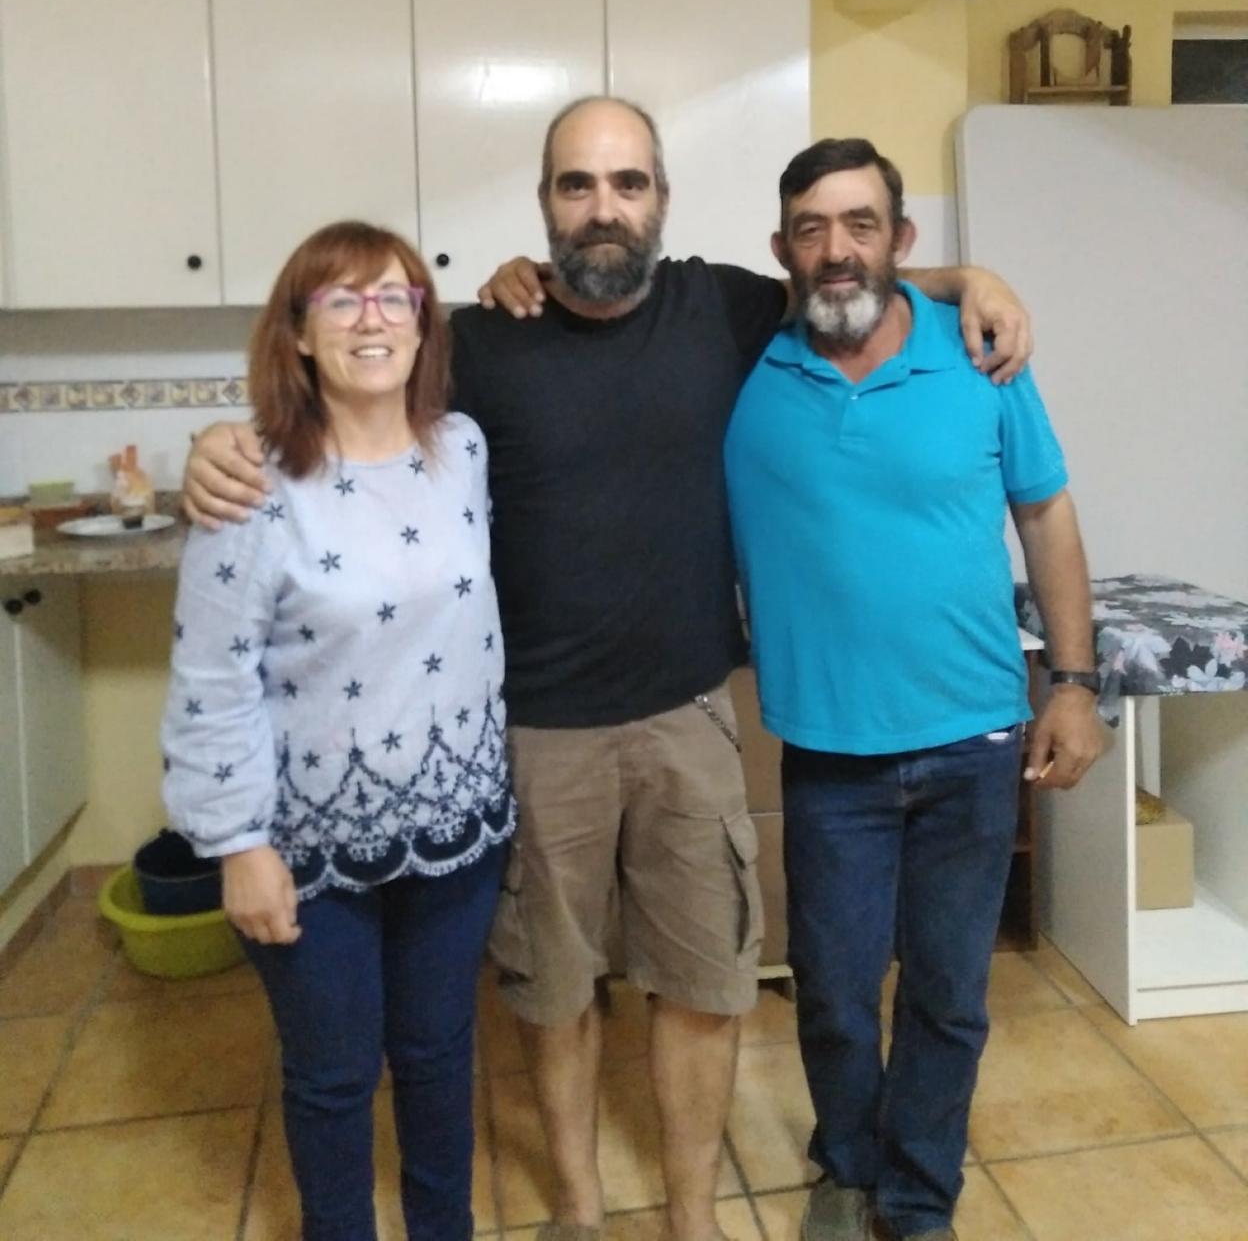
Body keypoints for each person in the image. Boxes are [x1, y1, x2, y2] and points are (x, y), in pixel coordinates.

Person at [182, 98, 1032, 1241]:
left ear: (662, 198)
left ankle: (690, 1216)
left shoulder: (723, 307)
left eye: (627, 182)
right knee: (553, 989)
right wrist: (222, 440)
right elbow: (351, 404)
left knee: (704, 982)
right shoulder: (480, 342)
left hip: (690, 714)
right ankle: (579, 1212)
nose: (603, 206)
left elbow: (851, 275)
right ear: (544, 202)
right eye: (577, 184)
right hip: (536, 732)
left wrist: (973, 276)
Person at [723, 138, 1103, 1241]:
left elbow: (1048, 516)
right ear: (782, 248)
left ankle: (918, 1194)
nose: (837, 249)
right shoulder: (743, 364)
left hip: (974, 740)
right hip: (828, 752)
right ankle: (847, 1168)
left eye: (862, 224)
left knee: (947, 993)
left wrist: (1074, 683)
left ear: (902, 237)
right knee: (835, 990)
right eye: (812, 228)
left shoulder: (980, 356)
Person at [162, 221, 513, 1241]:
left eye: (395, 295)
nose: (373, 319)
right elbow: (210, 680)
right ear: (299, 333)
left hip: (459, 827)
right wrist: (238, 844)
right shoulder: (253, 488)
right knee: (333, 1076)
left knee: (440, 1056)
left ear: (423, 323)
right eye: (341, 299)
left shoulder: (463, 451)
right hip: (309, 848)